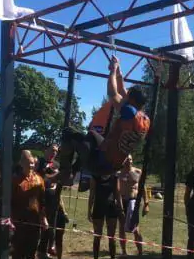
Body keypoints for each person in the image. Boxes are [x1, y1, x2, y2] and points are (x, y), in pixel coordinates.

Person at [59, 56, 150, 184]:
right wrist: (118, 72)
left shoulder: (129, 112)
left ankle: (66, 173)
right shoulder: (144, 119)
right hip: (113, 164)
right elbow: (123, 92)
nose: (125, 95)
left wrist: (112, 70)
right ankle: (73, 171)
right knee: (92, 135)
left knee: (68, 133)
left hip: (100, 163)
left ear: (132, 100)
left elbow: (112, 93)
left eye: (128, 95)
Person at [10, 151, 48, 259]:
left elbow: (42, 201)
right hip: (19, 222)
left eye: (32, 163)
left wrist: (43, 218)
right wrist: (10, 219)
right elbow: (9, 202)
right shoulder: (15, 180)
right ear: (21, 163)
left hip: (34, 222)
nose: (30, 165)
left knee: (32, 255)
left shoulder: (39, 180)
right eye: (27, 162)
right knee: (17, 254)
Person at [117, 155, 149, 256]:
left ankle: (140, 252)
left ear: (132, 160)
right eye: (126, 159)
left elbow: (143, 188)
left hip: (134, 202)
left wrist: (146, 204)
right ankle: (124, 251)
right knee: (121, 227)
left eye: (130, 159)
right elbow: (116, 189)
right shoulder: (119, 173)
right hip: (122, 201)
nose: (129, 161)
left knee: (136, 228)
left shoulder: (138, 172)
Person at [88, 173, 120, 259]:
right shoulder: (95, 177)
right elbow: (92, 194)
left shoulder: (114, 177)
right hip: (98, 208)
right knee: (97, 235)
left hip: (111, 208)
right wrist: (89, 210)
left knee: (112, 237)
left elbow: (117, 194)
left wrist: (121, 209)